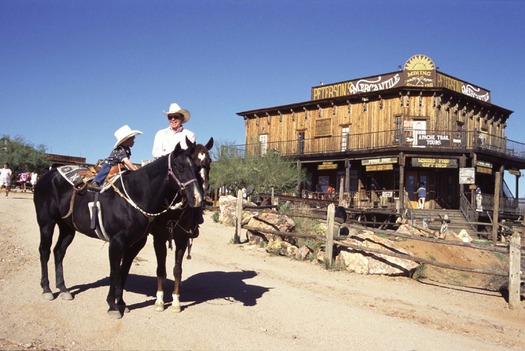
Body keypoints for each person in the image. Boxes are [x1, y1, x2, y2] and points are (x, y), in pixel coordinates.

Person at [152, 102, 203, 233]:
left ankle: (196, 219)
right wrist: (170, 158)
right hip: (163, 168)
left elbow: (188, 154)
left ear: (181, 119)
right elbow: (156, 153)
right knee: (150, 190)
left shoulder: (189, 134)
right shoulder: (160, 134)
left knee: (198, 185)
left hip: (181, 169)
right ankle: (148, 220)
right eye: (170, 117)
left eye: (176, 117)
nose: (173, 119)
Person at [89, 125, 142, 191]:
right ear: (126, 140)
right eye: (132, 139)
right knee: (106, 169)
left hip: (117, 166)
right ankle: (95, 182)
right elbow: (126, 161)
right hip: (109, 163)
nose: (134, 141)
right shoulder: (120, 149)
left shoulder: (127, 149)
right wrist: (136, 171)